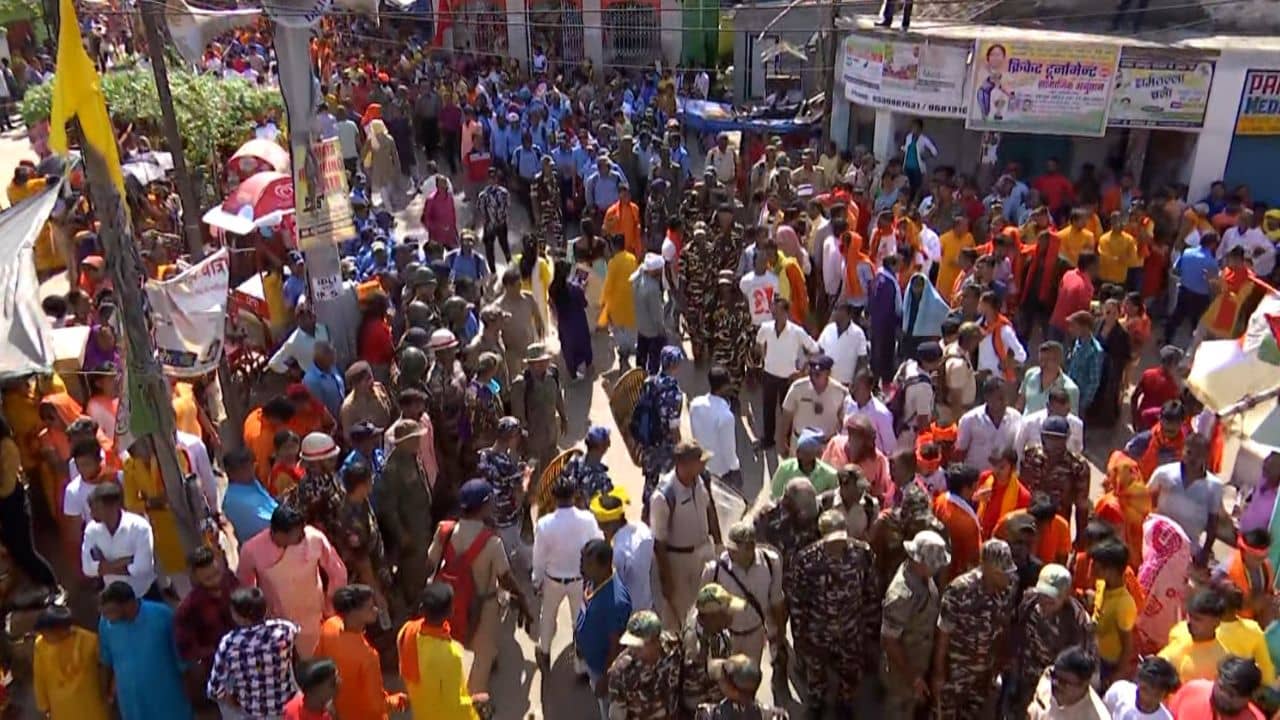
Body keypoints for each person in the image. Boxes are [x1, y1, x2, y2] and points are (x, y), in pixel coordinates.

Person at [426, 479, 535, 694]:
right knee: (481, 661)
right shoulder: (491, 542)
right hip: (483, 607)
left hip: (450, 601)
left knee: (454, 642)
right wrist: (523, 601)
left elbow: (430, 563)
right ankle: (476, 705)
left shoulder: (445, 531)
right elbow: (505, 579)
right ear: (484, 506)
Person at [787, 509, 880, 717]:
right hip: (818, 632)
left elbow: (871, 593)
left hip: (851, 630)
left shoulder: (862, 553)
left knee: (850, 673)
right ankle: (817, 704)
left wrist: (871, 630)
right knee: (816, 674)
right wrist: (801, 635)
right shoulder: (806, 559)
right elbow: (797, 601)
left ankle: (845, 704)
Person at [237, 505, 348, 658]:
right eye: (296, 534)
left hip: (314, 620)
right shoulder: (251, 550)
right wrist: (259, 624)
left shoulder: (314, 538)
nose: (302, 536)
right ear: (277, 533)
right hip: (276, 628)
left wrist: (330, 607)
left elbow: (338, 572)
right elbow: (247, 591)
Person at [932, 539, 1020, 720]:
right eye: (1001, 572)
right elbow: (944, 632)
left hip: (984, 671)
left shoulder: (1008, 588)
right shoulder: (960, 589)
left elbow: (1004, 624)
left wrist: (999, 662)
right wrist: (938, 672)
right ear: (986, 568)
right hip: (956, 669)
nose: (1007, 577)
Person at [533, 474, 604, 673]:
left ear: (554, 497)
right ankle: (580, 666)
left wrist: (536, 580)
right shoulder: (588, 519)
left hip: (552, 579)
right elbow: (597, 543)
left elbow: (539, 556)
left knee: (547, 617)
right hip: (580, 579)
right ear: (574, 495)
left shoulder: (545, 523)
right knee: (579, 621)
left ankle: (545, 652)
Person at [97, 581, 193, 720]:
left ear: (129, 605)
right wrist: (105, 696)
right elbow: (106, 661)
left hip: (168, 701)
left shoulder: (162, 615)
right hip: (132, 705)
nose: (106, 617)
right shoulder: (105, 624)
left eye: (111, 612)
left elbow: (182, 660)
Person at [1009, 564, 1096, 716]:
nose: (1044, 602)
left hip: (1054, 686)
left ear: (1066, 596)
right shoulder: (1029, 602)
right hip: (1025, 676)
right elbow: (1018, 633)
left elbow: (1081, 666)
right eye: (1043, 595)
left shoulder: (1077, 623)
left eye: (1051, 600)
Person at [880, 529, 949, 719]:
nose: (937, 569)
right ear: (919, 561)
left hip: (917, 663)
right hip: (902, 673)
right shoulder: (902, 595)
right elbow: (889, 641)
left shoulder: (923, 577)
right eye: (934, 565)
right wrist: (914, 678)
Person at [652, 441, 721, 628]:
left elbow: (710, 509)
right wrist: (667, 582)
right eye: (701, 461)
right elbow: (659, 544)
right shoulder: (664, 495)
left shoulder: (702, 478)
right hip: (680, 562)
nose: (705, 464)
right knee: (682, 615)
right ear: (685, 464)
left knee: (709, 605)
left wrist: (719, 545)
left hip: (705, 552)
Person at [397, 582, 488, 720]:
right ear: (451, 611)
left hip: (420, 711)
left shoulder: (406, 631)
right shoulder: (450, 654)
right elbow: (453, 704)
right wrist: (474, 702)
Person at [207, 586, 300, 718]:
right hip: (287, 709)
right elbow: (296, 631)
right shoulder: (285, 629)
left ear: (240, 617)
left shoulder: (229, 643)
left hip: (253, 712)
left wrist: (233, 702)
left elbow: (214, 689)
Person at [315, 584, 406, 719]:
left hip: (341, 711)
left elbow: (317, 660)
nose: (376, 610)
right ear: (353, 613)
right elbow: (376, 705)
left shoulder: (329, 626)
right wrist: (397, 700)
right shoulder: (368, 656)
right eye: (369, 608)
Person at [701, 521, 784, 665]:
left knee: (749, 678)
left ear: (751, 547)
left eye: (735, 549)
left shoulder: (771, 563)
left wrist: (779, 633)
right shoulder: (714, 570)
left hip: (755, 636)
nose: (729, 552)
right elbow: (703, 608)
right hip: (725, 638)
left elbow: (776, 600)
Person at [375, 418, 434, 613]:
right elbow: (388, 507)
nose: (418, 442)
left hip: (421, 526)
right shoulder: (393, 468)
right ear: (402, 442)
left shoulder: (412, 458)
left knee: (420, 571)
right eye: (415, 439)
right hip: (409, 532)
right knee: (410, 574)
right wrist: (401, 534)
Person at [1147, 432, 1225, 567]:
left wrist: (1205, 552)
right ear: (1183, 451)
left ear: (1207, 456)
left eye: (1199, 455)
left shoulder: (1214, 486)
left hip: (1188, 549)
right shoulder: (1164, 473)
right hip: (1156, 543)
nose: (1193, 459)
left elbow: (1213, 523)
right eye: (1189, 453)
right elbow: (1145, 498)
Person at [174, 546, 239, 702]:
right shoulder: (188, 609)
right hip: (222, 671)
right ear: (195, 578)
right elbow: (187, 649)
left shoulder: (232, 582)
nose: (216, 580)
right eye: (208, 579)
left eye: (216, 574)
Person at [756, 296, 818, 449]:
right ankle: (768, 440)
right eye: (774, 311)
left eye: (778, 312)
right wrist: (764, 361)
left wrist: (802, 370)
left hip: (788, 378)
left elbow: (814, 349)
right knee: (768, 409)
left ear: (786, 313)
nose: (775, 315)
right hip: (769, 374)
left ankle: (787, 441)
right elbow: (758, 345)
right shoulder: (765, 328)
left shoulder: (797, 332)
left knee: (787, 410)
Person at [32, 605, 111, 720]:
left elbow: (106, 666)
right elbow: (39, 677)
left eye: (46, 633)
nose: (43, 636)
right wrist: (43, 705)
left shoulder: (90, 641)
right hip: (60, 709)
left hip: (90, 706)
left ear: (61, 630)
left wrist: (106, 691)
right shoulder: (40, 645)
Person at [81, 482, 157, 599]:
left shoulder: (140, 527)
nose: (91, 514)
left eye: (97, 508)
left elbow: (143, 568)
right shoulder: (91, 530)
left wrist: (104, 567)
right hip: (114, 597)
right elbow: (87, 568)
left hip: (144, 593)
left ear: (114, 506)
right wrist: (126, 562)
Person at [1021, 415, 1091, 544]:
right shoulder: (1030, 457)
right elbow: (1021, 489)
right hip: (1028, 525)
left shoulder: (1077, 465)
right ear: (1042, 437)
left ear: (1067, 438)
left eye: (1058, 438)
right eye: (1049, 437)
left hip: (1059, 526)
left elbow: (1081, 505)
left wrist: (1081, 539)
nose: (1053, 443)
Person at [606, 609, 682, 720]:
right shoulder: (620, 672)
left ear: (655, 642)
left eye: (638, 646)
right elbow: (617, 715)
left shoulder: (674, 648)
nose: (632, 649)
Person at [679, 583, 741, 714]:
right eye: (726, 611)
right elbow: (694, 686)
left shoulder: (709, 621)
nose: (731, 614)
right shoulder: (694, 644)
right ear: (712, 617)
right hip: (701, 705)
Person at [511, 342, 568, 479]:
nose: (543, 365)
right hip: (533, 437)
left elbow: (558, 396)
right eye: (539, 362)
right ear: (530, 364)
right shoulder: (521, 384)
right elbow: (518, 414)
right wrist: (522, 437)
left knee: (553, 467)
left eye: (545, 361)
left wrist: (563, 417)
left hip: (550, 431)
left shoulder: (552, 374)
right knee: (533, 471)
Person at [1160, 587, 1230, 683]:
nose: (1190, 622)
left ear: (1216, 622)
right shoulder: (1179, 630)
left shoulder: (1220, 660)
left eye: (1197, 619)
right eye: (1190, 616)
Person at [780, 355, 848, 454]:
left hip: (826, 447)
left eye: (817, 374)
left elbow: (843, 421)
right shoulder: (798, 388)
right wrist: (783, 439)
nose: (813, 378)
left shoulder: (840, 392)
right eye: (811, 374)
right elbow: (787, 414)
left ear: (828, 373)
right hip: (800, 445)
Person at [957, 376, 1023, 472]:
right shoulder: (970, 419)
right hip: (977, 479)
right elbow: (960, 452)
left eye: (1006, 397)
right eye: (999, 398)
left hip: (1004, 480)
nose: (1004, 401)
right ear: (987, 397)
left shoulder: (1016, 417)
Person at [1166, 656, 1265, 719]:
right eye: (1221, 687)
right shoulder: (1192, 691)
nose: (1224, 696)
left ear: (1251, 697)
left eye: (1232, 694)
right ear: (1216, 678)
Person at [695, 654, 789, 719]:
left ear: (733, 691)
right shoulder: (777, 716)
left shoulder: (707, 715)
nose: (719, 680)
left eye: (723, 678)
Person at [1025, 646, 1109, 719]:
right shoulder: (1048, 679)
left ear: (1084, 684)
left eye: (1063, 682)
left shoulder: (1097, 717)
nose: (1055, 683)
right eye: (1054, 676)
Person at [690, 367, 741, 486]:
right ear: (724, 387)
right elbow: (729, 449)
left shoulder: (695, 404)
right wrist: (735, 468)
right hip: (720, 472)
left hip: (701, 466)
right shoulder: (726, 416)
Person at [934, 463, 983, 580]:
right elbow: (973, 559)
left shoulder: (940, 501)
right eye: (975, 486)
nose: (977, 488)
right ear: (966, 488)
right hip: (955, 575)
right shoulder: (966, 523)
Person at [222, 447, 278, 545]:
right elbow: (263, 525)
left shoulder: (252, 483)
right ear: (231, 472)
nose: (252, 470)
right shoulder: (234, 501)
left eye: (252, 466)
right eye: (245, 468)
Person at [549, 258, 593, 378]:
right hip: (578, 321)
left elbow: (553, 307)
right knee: (583, 346)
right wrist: (583, 289)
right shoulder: (575, 288)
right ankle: (585, 369)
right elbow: (584, 304)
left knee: (569, 349)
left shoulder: (552, 288)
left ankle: (573, 372)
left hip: (564, 323)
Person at [1103, 655, 1181, 720]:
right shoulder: (1118, 691)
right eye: (1145, 689)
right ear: (1138, 681)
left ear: (1165, 695)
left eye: (1157, 695)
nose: (1148, 698)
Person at [632, 252, 668, 373]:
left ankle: (638, 376)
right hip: (652, 331)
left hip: (641, 325)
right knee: (654, 359)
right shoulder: (652, 288)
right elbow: (657, 314)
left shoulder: (638, 276)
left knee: (641, 356)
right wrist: (662, 331)